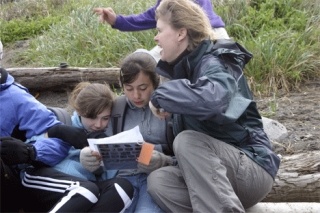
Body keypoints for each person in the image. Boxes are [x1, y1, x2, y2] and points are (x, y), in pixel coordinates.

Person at [146, 0, 281, 212]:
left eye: (160, 31)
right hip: (222, 175)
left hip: (252, 166)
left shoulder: (215, 61)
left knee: (187, 141)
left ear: (181, 33)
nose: (156, 38)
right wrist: (162, 160)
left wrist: (161, 95)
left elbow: (214, 100)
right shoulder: (185, 71)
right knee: (160, 181)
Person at [0, 68, 134, 212]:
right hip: (42, 178)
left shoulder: (107, 136)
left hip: (82, 190)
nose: (98, 124)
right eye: (92, 117)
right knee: (85, 191)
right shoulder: (65, 126)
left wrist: (98, 166)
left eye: (105, 118)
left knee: (122, 188)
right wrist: (56, 137)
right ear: (80, 112)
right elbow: (34, 145)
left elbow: (112, 171)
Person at [79, 49, 174, 213]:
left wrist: (164, 161)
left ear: (156, 82)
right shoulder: (116, 108)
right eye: (128, 88)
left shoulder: (170, 109)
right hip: (122, 180)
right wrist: (89, 159)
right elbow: (102, 152)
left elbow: (187, 156)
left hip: (157, 180)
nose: (136, 95)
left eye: (143, 87)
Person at [93, 0, 229, 61]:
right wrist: (117, 21)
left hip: (210, 33)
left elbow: (184, 14)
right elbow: (156, 14)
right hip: (180, 35)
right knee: (143, 64)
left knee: (220, 73)